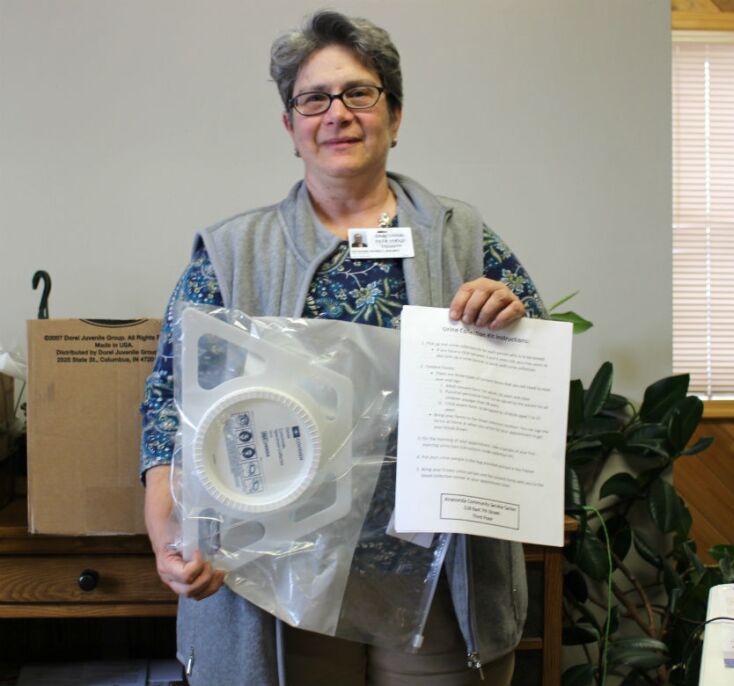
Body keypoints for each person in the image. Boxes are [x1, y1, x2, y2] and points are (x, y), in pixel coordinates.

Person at [140, 10, 546, 686]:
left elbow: (526, 368)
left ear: (395, 112)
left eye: (360, 92)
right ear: (291, 125)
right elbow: (166, 401)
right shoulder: (233, 252)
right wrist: (168, 536)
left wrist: (511, 320)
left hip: (440, 582)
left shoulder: (461, 235)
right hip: (276, 583)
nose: (338, 113)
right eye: (314, 98)